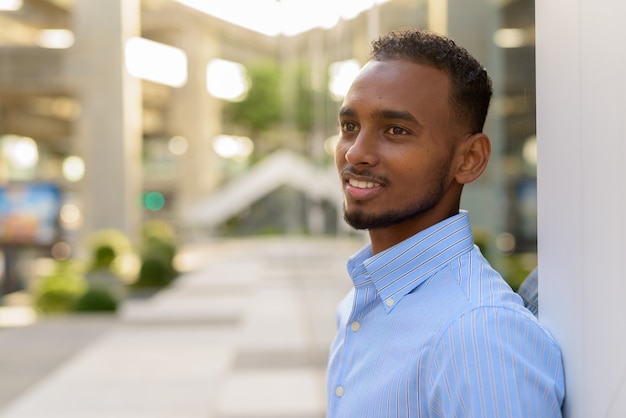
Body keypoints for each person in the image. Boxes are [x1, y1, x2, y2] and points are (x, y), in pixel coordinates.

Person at [326, 29, 564, 417]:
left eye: (396, 131)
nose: (356, 152)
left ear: (469, 159)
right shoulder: (357, 305)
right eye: (350, 126)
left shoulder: (478, 333)